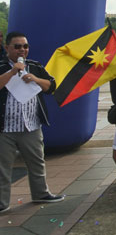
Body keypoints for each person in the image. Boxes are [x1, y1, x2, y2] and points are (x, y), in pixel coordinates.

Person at [0, 32, 63, 212]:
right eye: (17, 46)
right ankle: (2, 203)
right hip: (5, 128)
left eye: (25, 46)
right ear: (7, 48)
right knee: (2, 167)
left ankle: (41, 194)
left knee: (37, 162)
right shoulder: (2, 66)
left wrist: (35, 79)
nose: (22, 50)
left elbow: (51, 86)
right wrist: (13, 72)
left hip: (31, 125)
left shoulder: (35, 66)